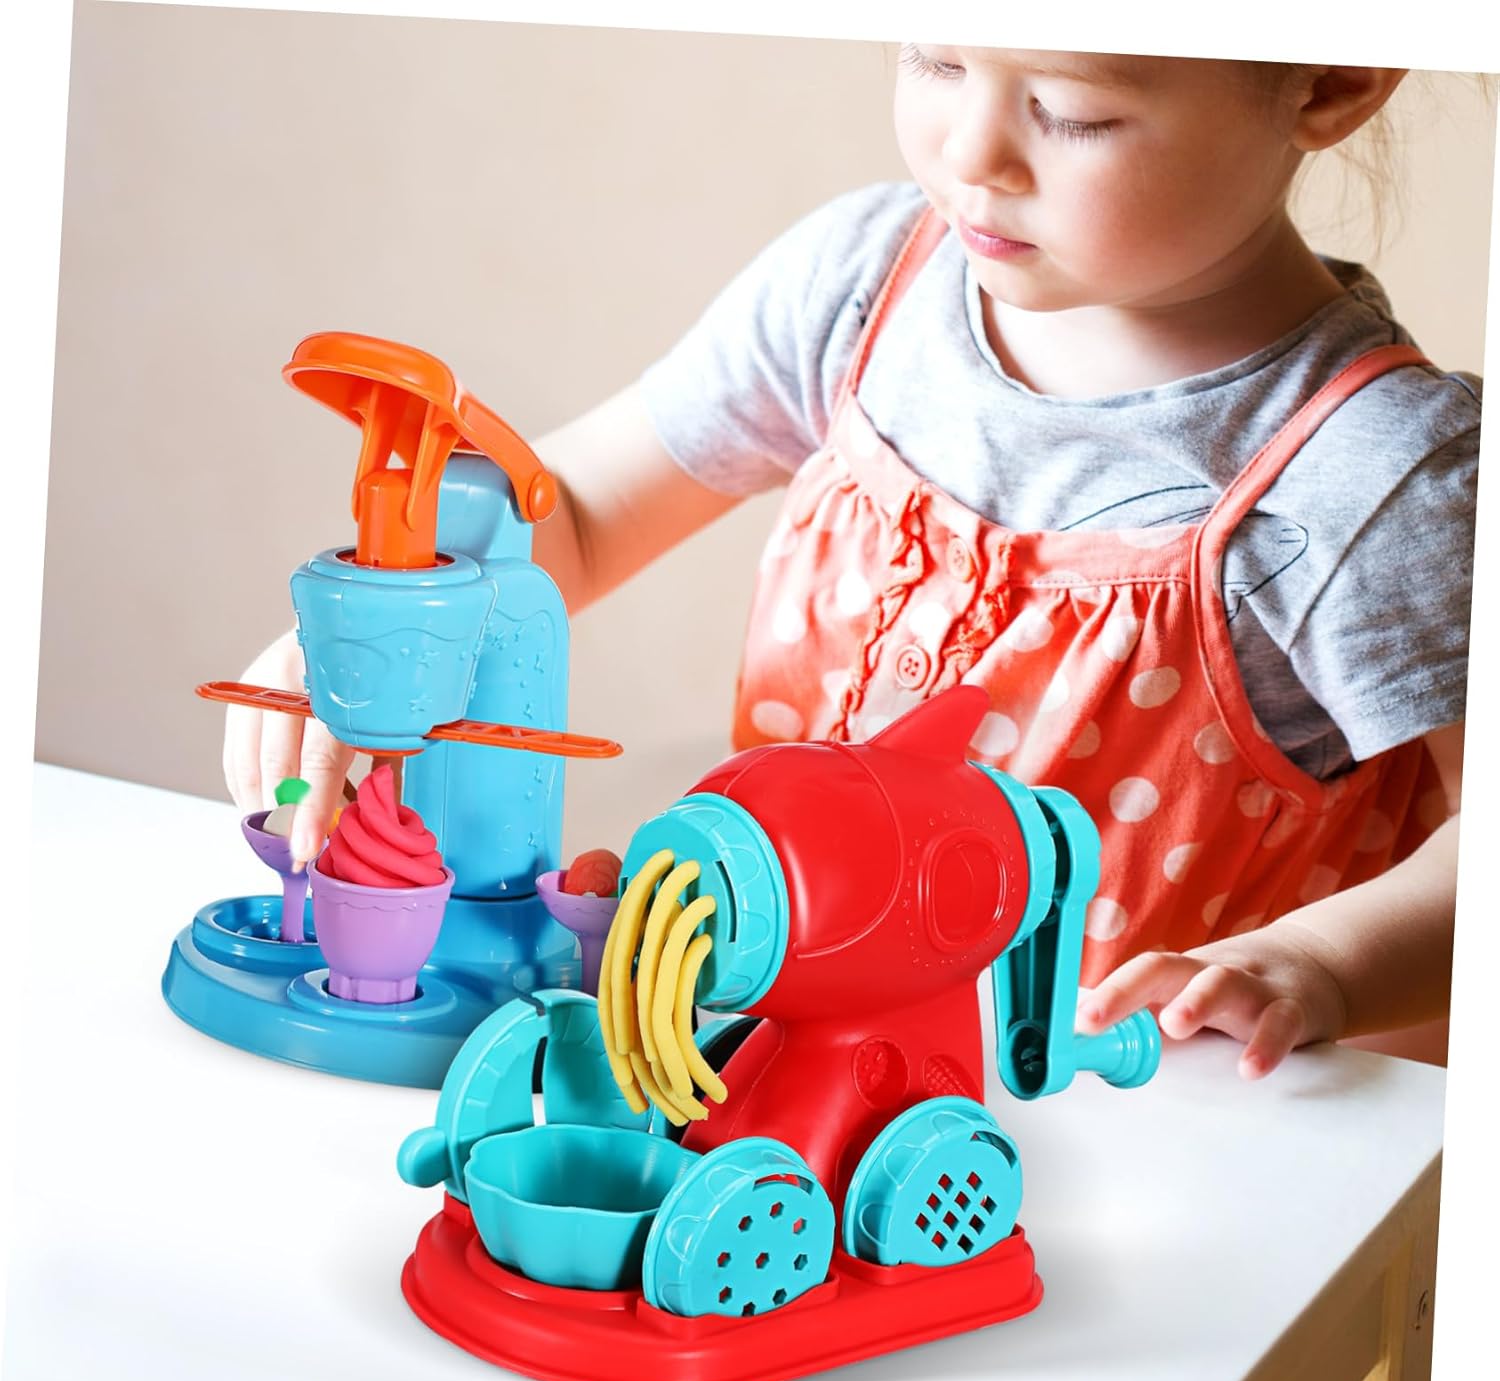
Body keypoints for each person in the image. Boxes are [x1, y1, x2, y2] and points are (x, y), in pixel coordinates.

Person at [224, 49, 1477, 1079]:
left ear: (1332, 80)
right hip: (780, 1057)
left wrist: (1321, 967)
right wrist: (397, 622)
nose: (971, 153)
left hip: (1137, 1129)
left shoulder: (1377, 478)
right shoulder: (866, 286)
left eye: (1071, 112)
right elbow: (583, 512)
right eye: (936, 59)